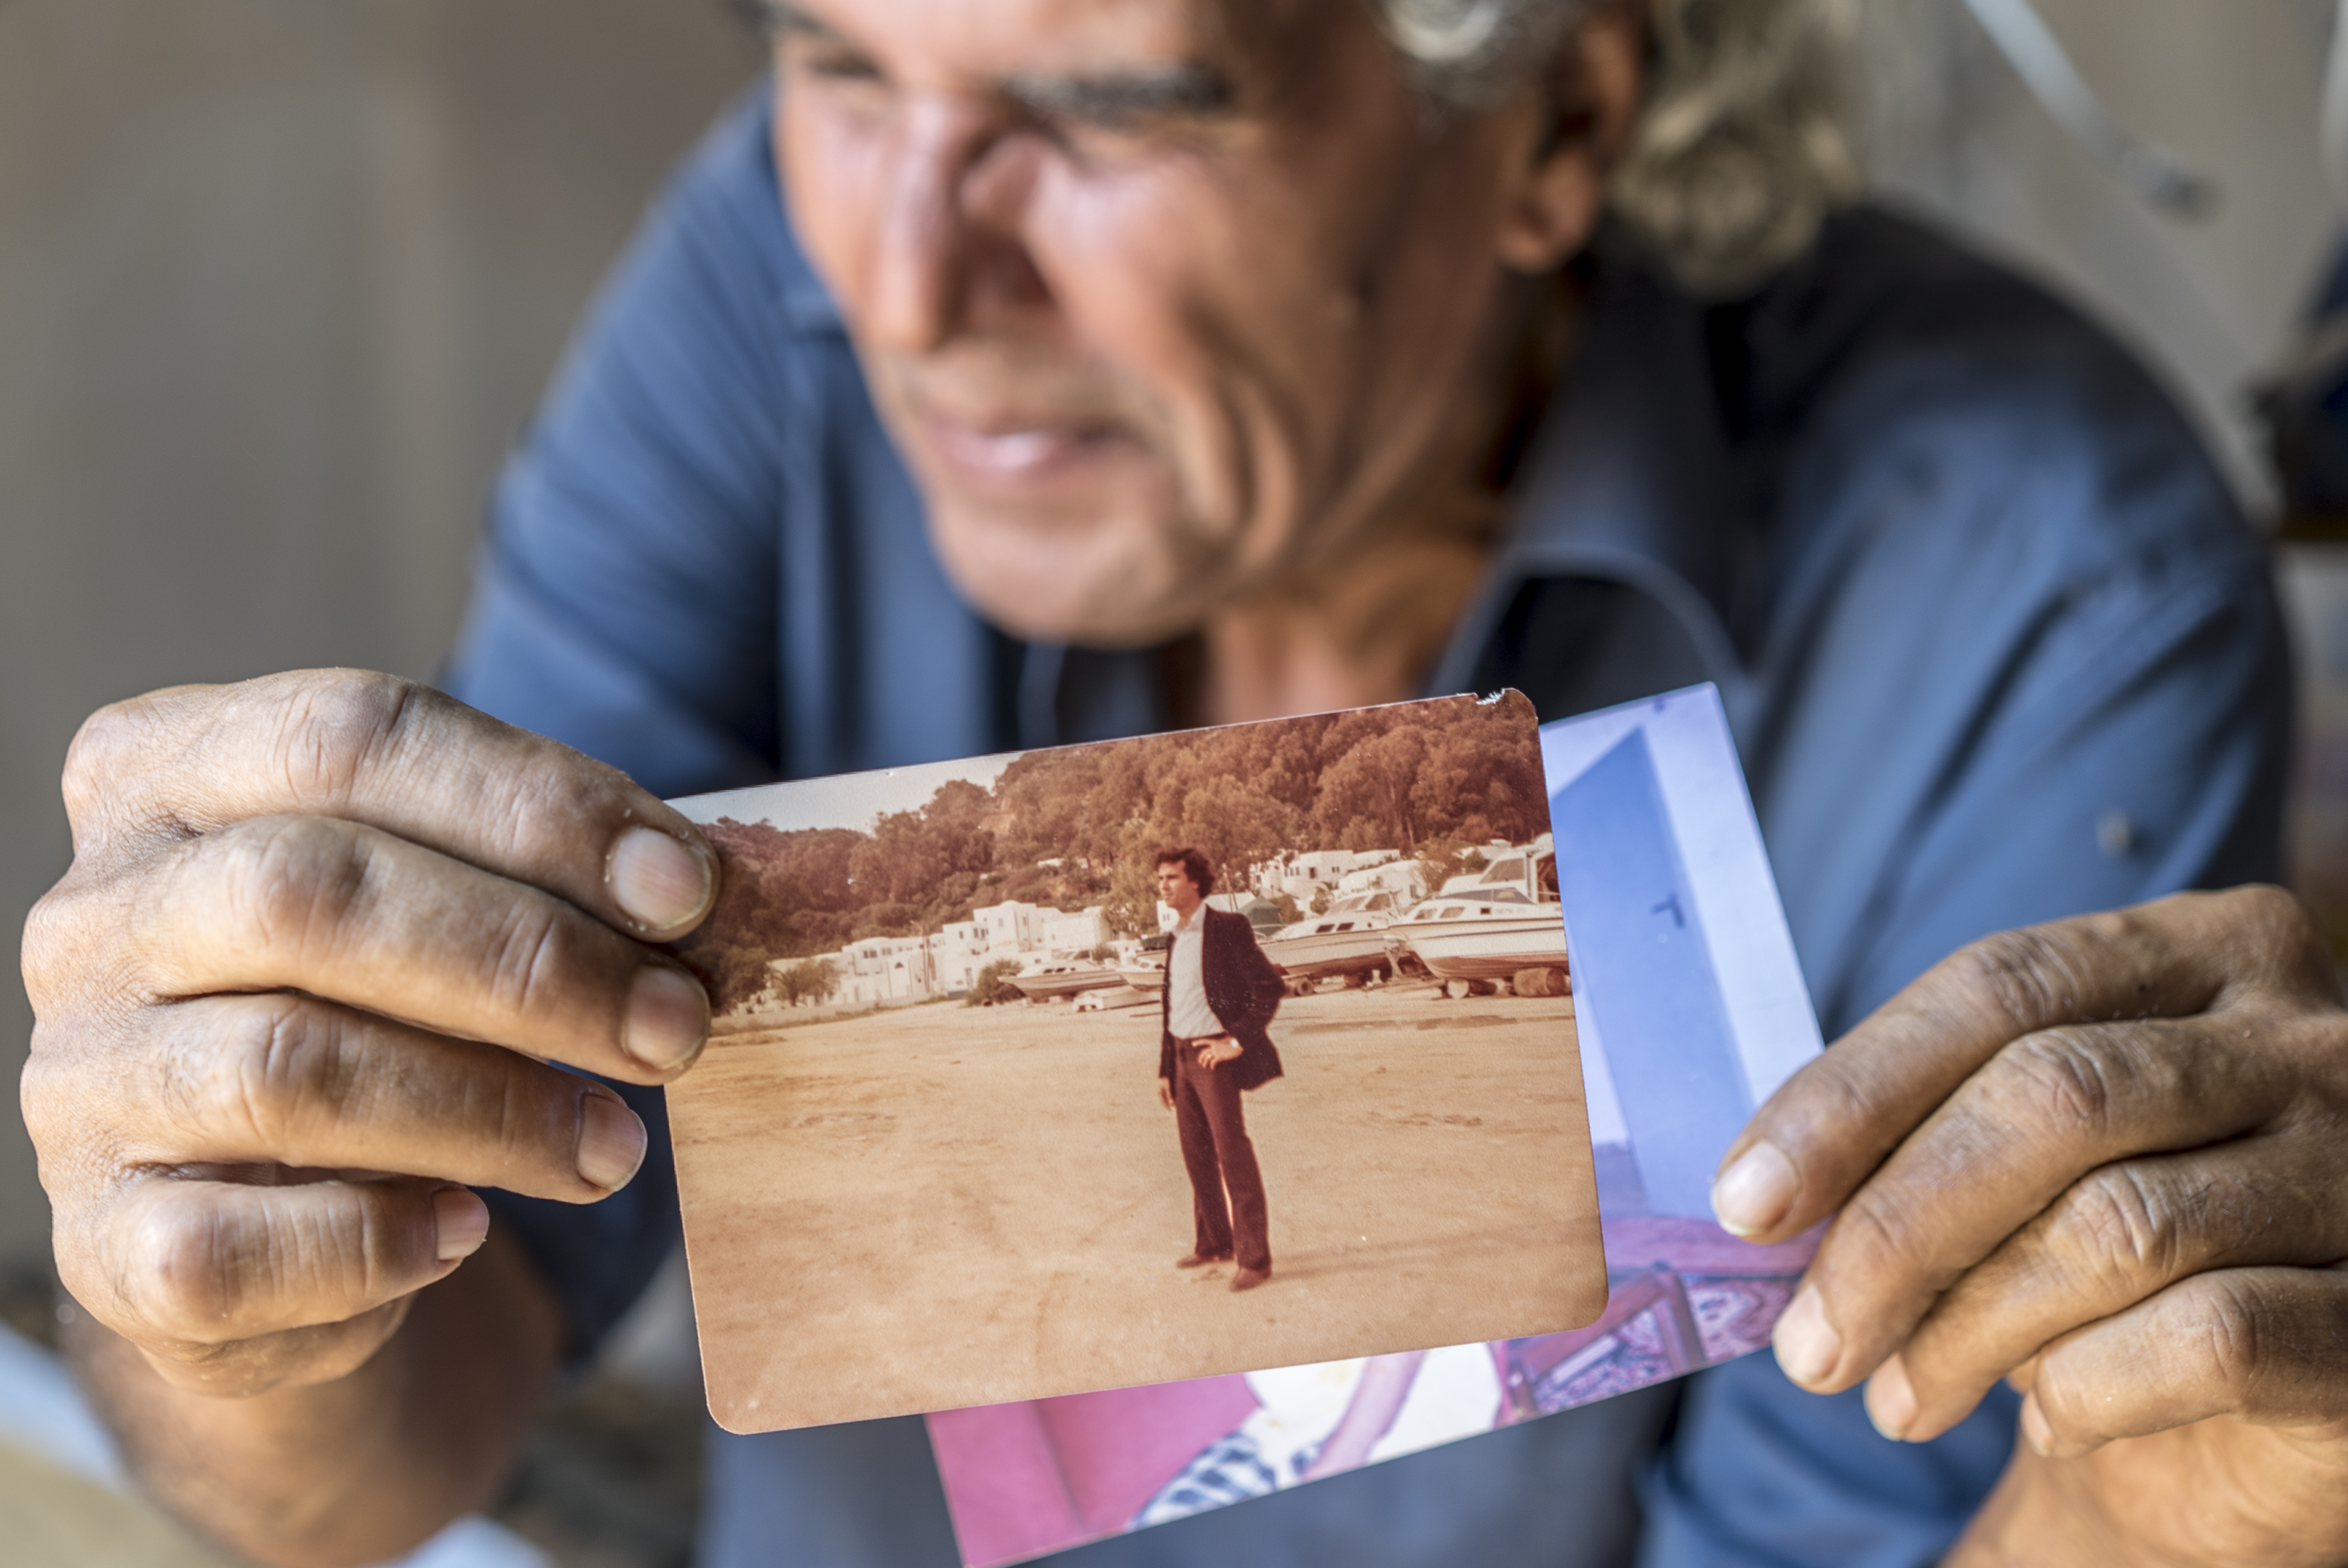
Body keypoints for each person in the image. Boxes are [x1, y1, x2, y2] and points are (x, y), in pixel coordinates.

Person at [15, 0, 2334, 1563]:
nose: (909, 280)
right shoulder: (779, 266)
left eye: (1117, 108)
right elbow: (396, 1407)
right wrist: (225, 1278)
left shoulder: (2038, 587)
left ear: (1550, 122)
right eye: (829, 60)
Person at [1151, 848, 1287, 1292]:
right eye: (1161, 879)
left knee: (1232, 1154)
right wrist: (1166, 1069)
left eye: (1171, 877)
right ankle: (1214, 1242)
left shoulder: (1229, 928)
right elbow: (1173, 1005)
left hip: (1213, 1059)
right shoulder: (1175, 937)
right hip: (1183, 1058)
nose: (1163, 885)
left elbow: (1269, 987)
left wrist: (1235, 1042)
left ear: (1195, 882)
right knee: (1197, 1156)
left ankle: (1255, 1259)